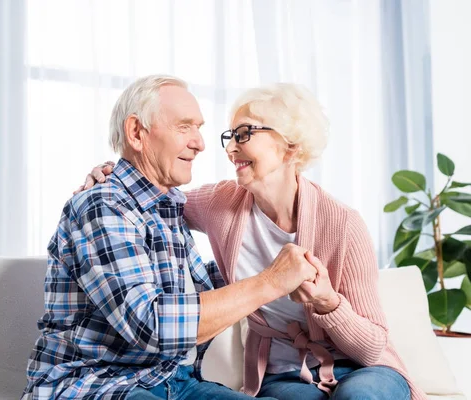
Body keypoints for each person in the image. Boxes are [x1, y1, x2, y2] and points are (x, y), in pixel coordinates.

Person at [80, 83, 425, 399]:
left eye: (244, 134)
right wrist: (111, 171)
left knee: (359, 397)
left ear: (291, 146)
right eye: (229, 135)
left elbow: (372, 346)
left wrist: (327, 303)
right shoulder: (220, 205)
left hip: (361, 367)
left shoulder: (343, 224)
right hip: (287, 375)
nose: (230, 148)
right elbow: (151, 194)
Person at [22, 75, 320, 400]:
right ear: (137, 133)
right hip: (98, 386)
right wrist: (270, 282)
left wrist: (273, 264)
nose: (200, 143)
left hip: (172, 381)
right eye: (184, 127)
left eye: (199, 128)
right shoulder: (102, 206)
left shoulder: (166, 205)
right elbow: (153, 325)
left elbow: (195, 287)